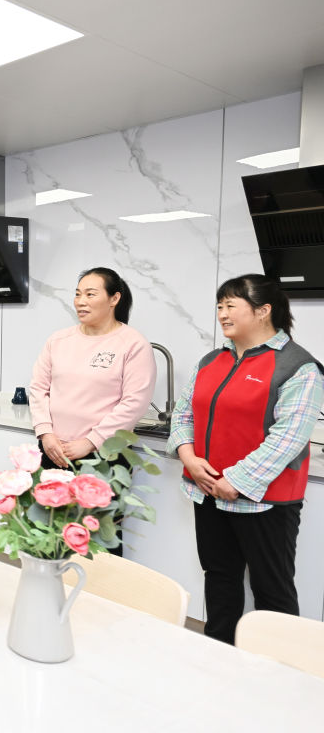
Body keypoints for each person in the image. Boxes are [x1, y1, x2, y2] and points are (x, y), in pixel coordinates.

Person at [169, 274, 323, 645]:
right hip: (208, 491)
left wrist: (234, 481)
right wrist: (189, 457)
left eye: (230, 305)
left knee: (272, 590)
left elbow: (288, 437)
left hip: (264, 502)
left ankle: (282, 667)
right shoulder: (212, 360)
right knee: (219, 578)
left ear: (263, 310)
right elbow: (183, 413)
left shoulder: (298, 366)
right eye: (219, 306)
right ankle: (218, 653)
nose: (222, 314)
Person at [29, 267, 156, 555]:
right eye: (77, 294)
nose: (80, 301)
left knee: (98, 542)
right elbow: (38, 388)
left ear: (114, 299)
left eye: (90, 294)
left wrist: (90, 441)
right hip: (54, 452)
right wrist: (46, 434)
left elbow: (134, 402)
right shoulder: (58, 340)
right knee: (49, 536)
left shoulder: (133, 344)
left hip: (104, 458)